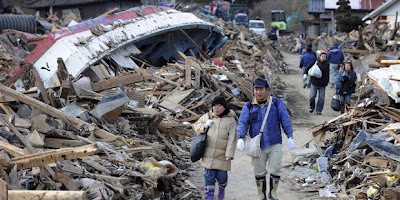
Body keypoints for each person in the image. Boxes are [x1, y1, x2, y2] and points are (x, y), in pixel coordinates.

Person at [236, 77, 294, 200]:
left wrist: (290, 136)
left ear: (267, 90)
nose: (258, 92)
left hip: (275, 143)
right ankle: (261, 194)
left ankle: (273, 193)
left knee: (275, 169)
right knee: (259, 171)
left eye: (261, 89)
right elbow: (242, 122)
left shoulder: (276, 104)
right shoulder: (249, 106)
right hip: (258, 146)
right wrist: (240, 137)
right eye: (256, 89)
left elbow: (285, 119)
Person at [193, 96, 237, 200]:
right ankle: (210, 196)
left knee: (222, 177)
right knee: (209, 177)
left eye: (219, 106)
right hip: (208, 154)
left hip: (222, 155)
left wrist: (229, 154)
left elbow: (232, 138)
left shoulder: (230, 120)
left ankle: (221, 190)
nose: (216, 108)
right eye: (214, 106)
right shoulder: (207, 116)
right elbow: (196, 126)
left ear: (224, 107)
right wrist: (204, 126)